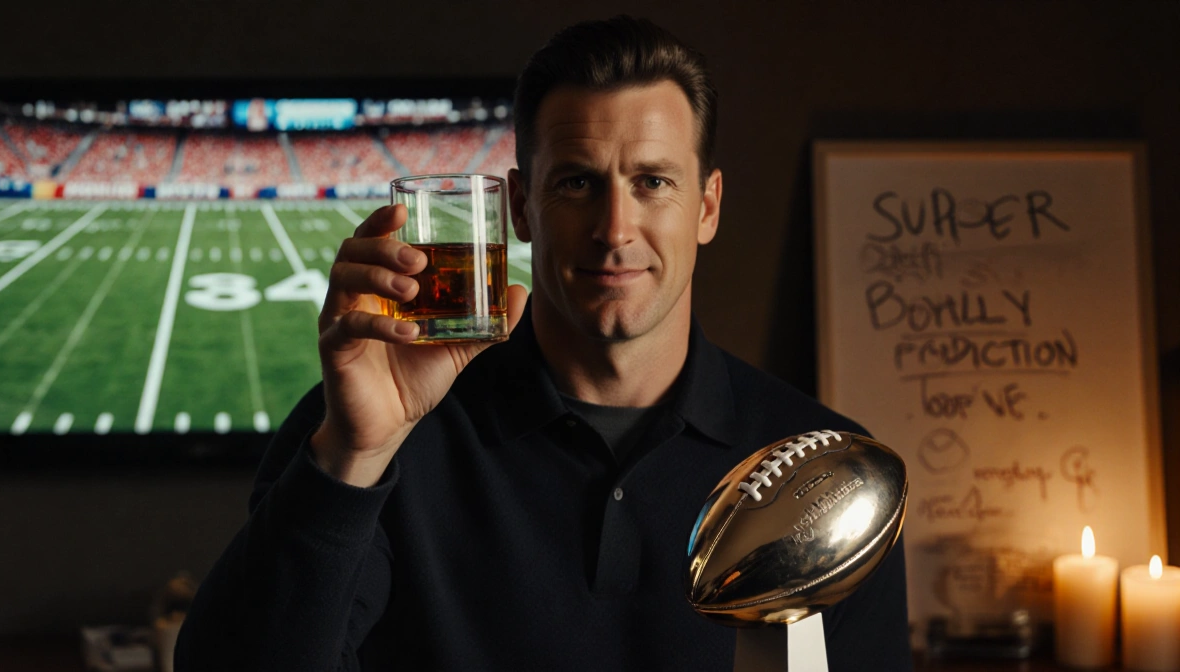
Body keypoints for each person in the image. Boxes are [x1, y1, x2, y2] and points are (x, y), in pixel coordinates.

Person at [175, 16, 912, 672]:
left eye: (652, 181)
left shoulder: (828, 473)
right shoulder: (369, 434)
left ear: (708, 206)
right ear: (521, 207)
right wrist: (354, 457)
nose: (615, 229)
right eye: (576, 184)